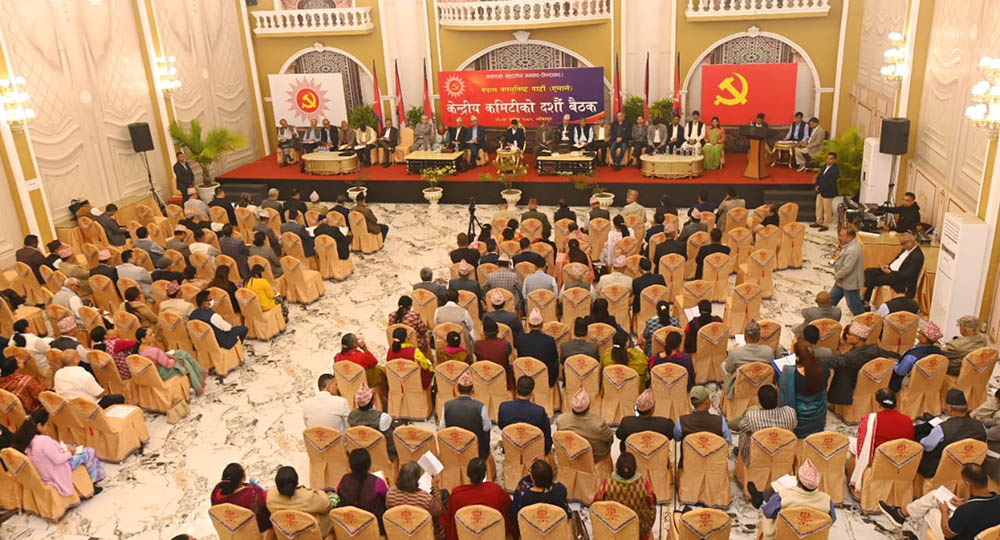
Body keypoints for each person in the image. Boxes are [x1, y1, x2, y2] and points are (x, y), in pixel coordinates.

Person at [879, 463, 1000, 540]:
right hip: (981, 533)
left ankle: (906, 520)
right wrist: (964, 502)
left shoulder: (966, 511)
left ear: (968, 484)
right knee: (935, 495)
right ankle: (903, 514)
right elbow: (981, 510)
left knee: (930, 511)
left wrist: (944, 512)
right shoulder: (997, 499)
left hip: (958, 535)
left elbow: (948, 533)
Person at [13, 410, 106, 496]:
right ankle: (92, 484)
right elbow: (58, 459)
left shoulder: (28, 441)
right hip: (58, 468)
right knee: (89, 452)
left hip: (45, 470)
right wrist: (71, 453)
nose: (49, 428)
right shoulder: (43, 441)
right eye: (47, 425)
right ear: (39, 426)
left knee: (71, 447)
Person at [753, 459, 836, 540]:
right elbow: (831, 520)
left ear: (798, 479)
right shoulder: (827, 501)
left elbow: (768, 513)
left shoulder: (782, 497)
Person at [851, 388, 914, 492]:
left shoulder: (869, 419)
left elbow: (861, 446)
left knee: (849, 445)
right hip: (901, 460)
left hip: (878, 461)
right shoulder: (907, 420)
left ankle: (856, 484)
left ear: (878, 404)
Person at [917, 389, 987, 478]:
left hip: (940, 469)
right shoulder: (980, 426)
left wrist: (921, 437)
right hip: (968, 468)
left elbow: (927, 446)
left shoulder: (942, 428)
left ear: (949, 408)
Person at [441, 458, 514, 540]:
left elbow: (449, 523)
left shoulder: (456, 495)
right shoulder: (495, 490)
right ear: (485, 474)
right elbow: (509, 513)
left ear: (468, 474)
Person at [828, 322, 897, 407]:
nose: (847, 336)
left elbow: (837, 362)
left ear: (857, 338)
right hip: (870, 384)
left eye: (849, 334)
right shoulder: (874, 349)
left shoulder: (853, 356)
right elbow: (893, 356)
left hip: (851, 385)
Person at [593, 453, 656, 540]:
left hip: (614, 526)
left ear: (616, 467)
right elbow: (652, 502)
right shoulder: (645, 484)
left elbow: (597, 503)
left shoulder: (607, 484)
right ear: (635, 468)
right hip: (639, 528)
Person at [780, 340, 830, 438]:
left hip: (798, 418)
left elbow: (784, 394)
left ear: (797, 357)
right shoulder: (823, 367)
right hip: (818, 417)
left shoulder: (789, 372)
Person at [735, 385, 797, 463]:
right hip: (784, 454)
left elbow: (741, 426)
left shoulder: (752, 416)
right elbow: (794, 425)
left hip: (759, 457)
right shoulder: (790, 412)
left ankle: (742, 457)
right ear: (777, 399)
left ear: (759, 402)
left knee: (745, 432)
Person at [266, 466, 333, 537]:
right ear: (297, 482)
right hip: (314, 535)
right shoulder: (308, 497)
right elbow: (327, 505)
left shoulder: (270, 496)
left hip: (287, 534)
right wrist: (321, 492)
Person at [862, 231, 924, 308]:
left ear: (910, 242)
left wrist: (891, 272)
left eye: (903, 243)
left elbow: (908, 274)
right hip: (891, 270)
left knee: (875, 279)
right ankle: (865, 299)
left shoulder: (917, 256)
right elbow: (896, 260)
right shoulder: (905, 249)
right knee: (869, 272)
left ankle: (865, 301)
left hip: (899, 277)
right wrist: (888, 266)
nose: (902, 246)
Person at [137, 327, 206, 394]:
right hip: (163, 372)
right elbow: (169, 365)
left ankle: (199, 376)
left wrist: (166, 355)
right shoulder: (154, 351)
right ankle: (197, 381)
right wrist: (174, 359)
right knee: (184, 360)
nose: (154, 335)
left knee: (181, 352)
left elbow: (157, 358)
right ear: (143, 339)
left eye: (153, 333)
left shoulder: (139, 349)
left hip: (154, 371)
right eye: (150, 335)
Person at [388, 461, 445, 540]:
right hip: (422, 535)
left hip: (399, 533)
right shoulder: (425, 498)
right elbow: (438, 511)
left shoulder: (391, 494)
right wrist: (435, 487)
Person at [556, 388, 614, 463]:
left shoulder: (561, 420)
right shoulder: (598, 423)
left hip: (570, 454)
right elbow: (610, 439)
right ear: (589, 405)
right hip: (595, 458)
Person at [337, 448, 388, 532]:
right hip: (374, 528)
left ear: (350, 465)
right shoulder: (378, 482)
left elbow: (339, 493)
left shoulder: (344, 480)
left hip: (348, 527)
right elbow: (386, 500)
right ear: (369, 464)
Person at [498, 376, 552, 454]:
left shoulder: (504, 407)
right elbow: (546, 434)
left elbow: (501, 426)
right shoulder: (539, 411)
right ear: (532, 392)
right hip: (533, 449)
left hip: (511, 447)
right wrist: (546, 451)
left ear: (516, 390)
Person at [444, 371, 491, 459]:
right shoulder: (480, 406)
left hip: (454, 446)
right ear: (472, 389)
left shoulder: (447, 406)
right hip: (476, 449)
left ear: (457, 389)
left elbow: (442, 428)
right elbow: (486, 427)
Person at [52, 351, 126, 408]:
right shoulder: (81, 374)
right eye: (78, 355)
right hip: (88, 406)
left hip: (68, 406)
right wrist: (104, 389)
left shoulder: (58, 373)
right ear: (75, 360)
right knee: (119, 398)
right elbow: (99, 394)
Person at [210, 463, 270, 532]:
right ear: (243, 478)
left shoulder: (216, 491)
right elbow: (264, 515)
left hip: (229, 531)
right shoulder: (252, 495)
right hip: (251, 533)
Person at [722, 320, 774, 398]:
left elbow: (728, 369)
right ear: (759, 337)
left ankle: (726, 392)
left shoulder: (735, 353)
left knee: (723, 365)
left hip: (740, 389)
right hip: (761, 385)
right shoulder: (769, 351)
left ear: (745, 337)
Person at [511, 459, 570, 527]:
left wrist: (533, 473)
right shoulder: (560, 490)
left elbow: (515, 513)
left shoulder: (523, 495)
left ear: (532, 478)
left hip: (530, 529)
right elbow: (567, 514)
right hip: (555, 528)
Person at [348, 383, 397, 460]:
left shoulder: (352, 416)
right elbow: (391, 444)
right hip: (382, 458)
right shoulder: (382, 418)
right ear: (373, 401)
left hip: (361, 456)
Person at [335, 333, 388, 402]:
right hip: (362, 388)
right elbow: (374, 362)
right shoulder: (361, 357)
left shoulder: (338, 358)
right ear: (354, 344)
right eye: (357, 340)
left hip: (347, 387)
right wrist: (364, 348)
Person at [514, 309, 559, 387]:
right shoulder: (550, 340)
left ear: (528, 325)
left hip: (525, 378)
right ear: (542, 325)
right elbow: (554, 360)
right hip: (545, 379)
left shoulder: (520, 339)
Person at [830, 227, 866, 316]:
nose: (839, 238)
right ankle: (823, 315)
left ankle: (863, 321)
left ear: (849, 237)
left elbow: (847, 268)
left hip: (850, 282)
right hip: (842, 280)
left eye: (841, 236)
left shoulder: (852, 250)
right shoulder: (852, 244)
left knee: (855, 306)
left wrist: (836, 276)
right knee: (831, 300)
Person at [810, 151, 839, 231]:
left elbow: (831, 182)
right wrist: (817, 185)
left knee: (827, 209)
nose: (828, 160)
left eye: (830, 159)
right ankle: (818, 221)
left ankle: (826, 224)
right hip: (820, 191)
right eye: (827, 158)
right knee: (818, 207)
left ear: (834, 160)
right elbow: (819, 177)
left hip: (828, 192)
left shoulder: (835, 170)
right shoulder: (824, 166)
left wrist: (821, 188)